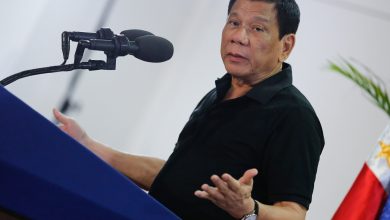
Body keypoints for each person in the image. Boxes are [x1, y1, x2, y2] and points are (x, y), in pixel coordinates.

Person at [53, 0, 324, 219]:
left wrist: (248, 210)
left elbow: (293, 213)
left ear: (285, 46)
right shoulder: (218, 93)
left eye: (257, 28)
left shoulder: (294, 116)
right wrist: (87, 145)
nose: (239, 37)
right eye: (234, 22)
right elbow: (177, 177)